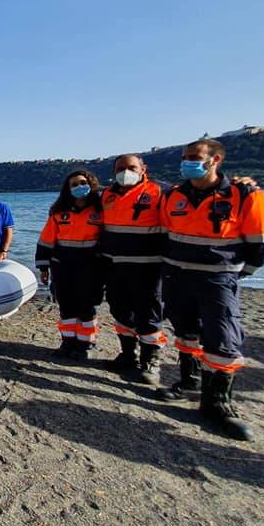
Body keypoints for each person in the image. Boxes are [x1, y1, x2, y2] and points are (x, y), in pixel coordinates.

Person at [157, 138, 264, 441]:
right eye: (185, 157)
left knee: (223, 339)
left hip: (217, 280)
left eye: (194, 157)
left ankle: (217, 403)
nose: (187, 162)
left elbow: (262, 246)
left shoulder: (245, 194)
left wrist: (235, 275)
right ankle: (189, 381)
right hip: (177, 277)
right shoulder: (173, 195)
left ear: (216, 160)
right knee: (186, 331)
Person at [98, 155, 168, 385]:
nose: (125, 172)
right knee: (120, 311)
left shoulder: (161, 192)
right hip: (115, 265)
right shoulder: (107, 195)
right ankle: (128, 355)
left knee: (149, 315)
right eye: (120, 168)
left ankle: (151, 362)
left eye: (131, 167)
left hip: (148, 267)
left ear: (143, 169)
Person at [34, 171, 104, 359]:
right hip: (63, 267)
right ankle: (68, 342)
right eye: (74, 184)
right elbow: (46, 240)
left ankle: (85, 344)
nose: (79, 186)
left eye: (82, 182)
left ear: (91, 184)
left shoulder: (100, 211)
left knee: (86, 307)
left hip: (90, 268)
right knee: (66, 307)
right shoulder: (58, 212)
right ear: (68, 188)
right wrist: (43, 266)